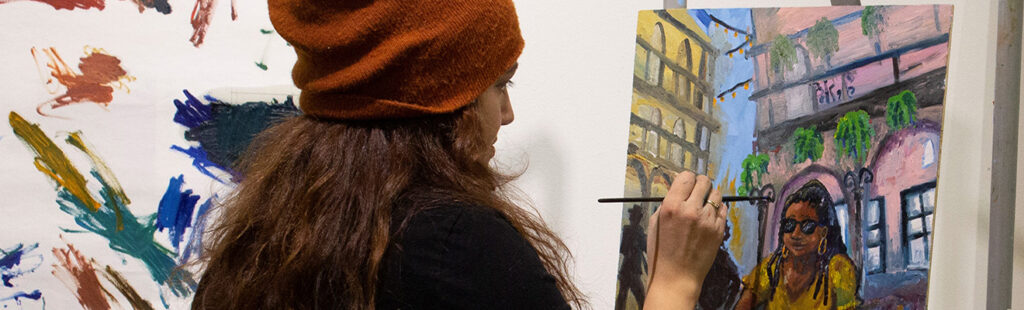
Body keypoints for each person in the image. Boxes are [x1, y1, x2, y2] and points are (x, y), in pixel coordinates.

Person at [191, 0, 727, 309]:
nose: (508, 112)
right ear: (441, 100)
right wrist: (674, 282)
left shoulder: (263, 237)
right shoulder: (454, 246)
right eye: (499, 84)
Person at [735, 180, 859, 310]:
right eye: (790, 225)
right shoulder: (771, 268)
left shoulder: (839, 269)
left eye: (807, 226)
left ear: (823, 232)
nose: (796, 234)